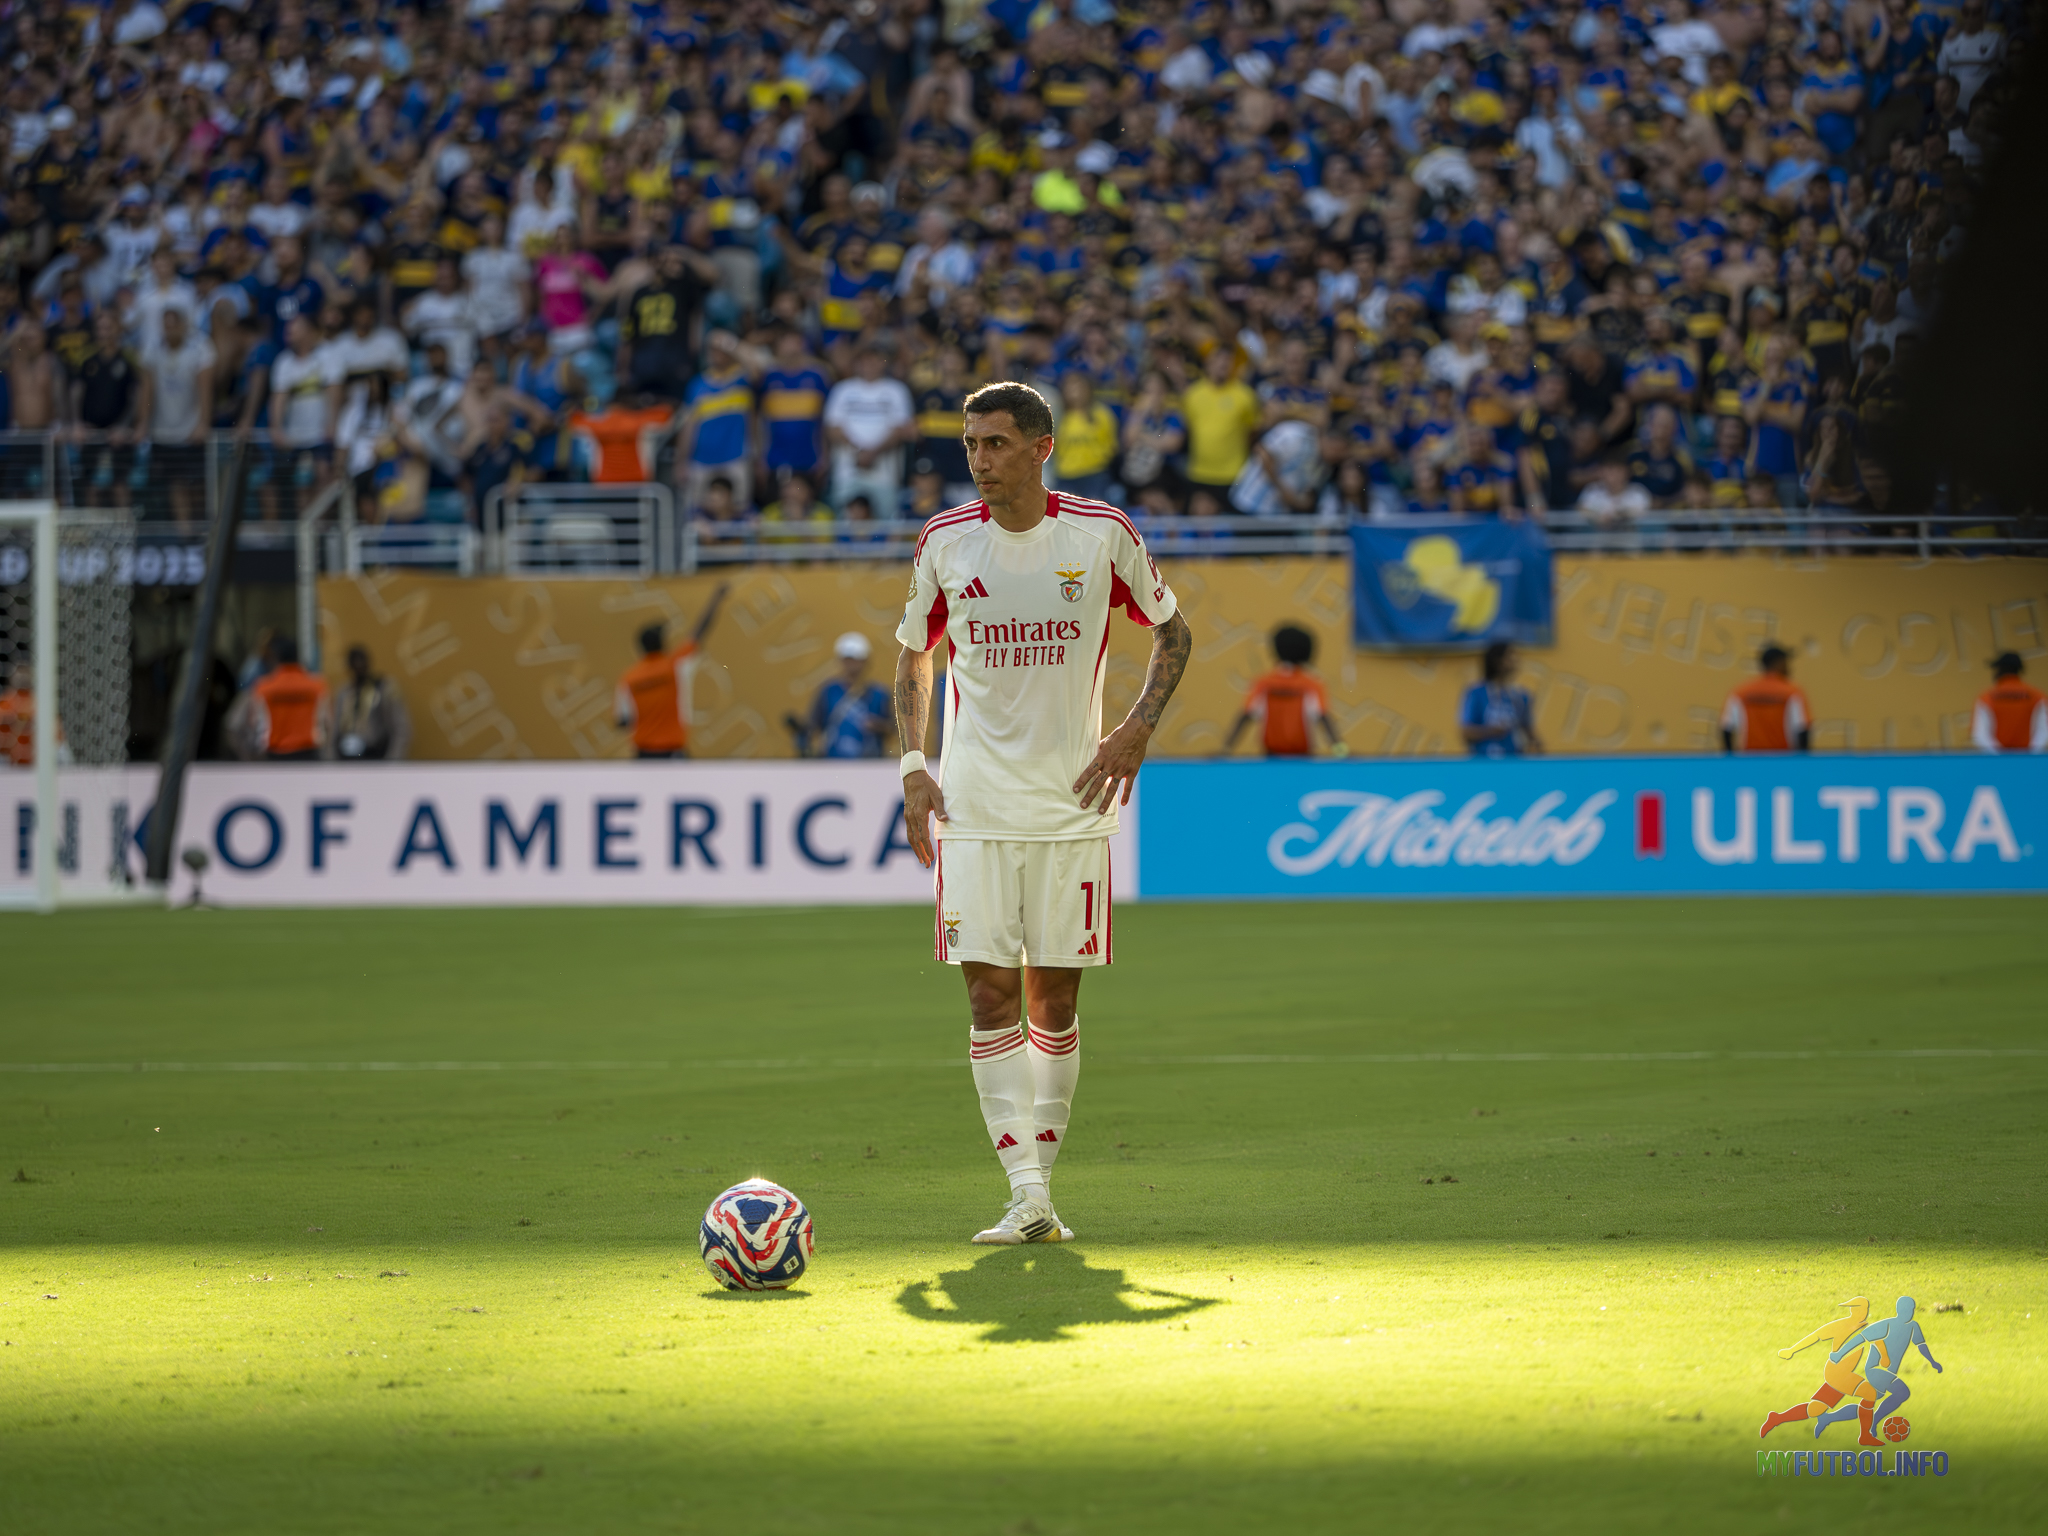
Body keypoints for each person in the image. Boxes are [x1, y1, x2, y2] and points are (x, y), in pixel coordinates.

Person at [895, 380, 1191, 1245]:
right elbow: (913, 655)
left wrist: (1136, 728)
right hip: (975, 807)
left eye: (994, 444)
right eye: (971, 446)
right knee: (989, 994)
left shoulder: (1101, 536)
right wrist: (915, 766)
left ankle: (1042, 1190)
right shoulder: (946, 543)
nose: (979, 461)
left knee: (1053, 1002)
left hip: (1073, 809)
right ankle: (1026, 1192)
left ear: (1040, 448)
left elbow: (1174, 633)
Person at [613, 585, 729, 759]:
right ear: (663, 644)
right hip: (673, 751)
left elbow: (622, 721)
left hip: (643, 754)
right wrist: (716, 600)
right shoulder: (674, 666)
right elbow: (698, 634)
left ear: (640, 648)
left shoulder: (629, 678)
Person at [1225, 625, 1346, 757]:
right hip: (1303, 760)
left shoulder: (1263, 683)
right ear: (1307, 651)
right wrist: (1340, 751)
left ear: (1276, 649)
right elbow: (1323, 719)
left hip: (1271, 759)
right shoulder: (1312, 685)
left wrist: (1226, 749)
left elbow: (1245, 716)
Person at [824, 343, 915, 516]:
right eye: (864, 360)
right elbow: (832, 428)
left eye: (875, 360)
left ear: (884, 362)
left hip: (885, 473)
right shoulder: (843, 389)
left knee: (886, 521)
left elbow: (902, 428)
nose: (870, 364)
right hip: (848, 470)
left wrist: (873, 452)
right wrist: (859, 451)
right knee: (846, 523)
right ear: (857, 363)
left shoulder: (896, 390)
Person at [804, 632, 894, 759]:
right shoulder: (828, 691)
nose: (852, 664)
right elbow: (812, 725)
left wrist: (877, 725)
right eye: (848, 660)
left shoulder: (879, 693)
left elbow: (894, 728)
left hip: (870, 763)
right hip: (832, 762)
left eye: (857, 660)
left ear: (866, 661)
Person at [240, 637, 330, 761]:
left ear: (276, 657)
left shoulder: (263, 688)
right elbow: (326, 721)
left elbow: (254, 723)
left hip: (274, 755)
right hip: (308, 754)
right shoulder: (317, 686)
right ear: (298, 657)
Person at [1722, 643, 1811, 752]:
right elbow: (1803, 729)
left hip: (1749, 761)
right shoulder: (1792, 692)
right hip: (1784, 760)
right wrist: (1802, 761)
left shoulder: (1741, 692)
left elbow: (1726, 729)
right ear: (1779, 662)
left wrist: (1731, 760)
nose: (1789, 667)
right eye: (1786, 662)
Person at [1460, 641, 1543, 757]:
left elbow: (1529, 731)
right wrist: (1491, 731)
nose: (1516, 660)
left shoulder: (1521, 696)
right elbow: (1465, 732)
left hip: (1513, 763)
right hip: (1483, 764)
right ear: (1497, 661)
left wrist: (1539, 748)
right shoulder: (1476, 694)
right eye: (1510, 656)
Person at [332, 646, 411, 761]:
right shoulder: (344, 692)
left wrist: (392, 761)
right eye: (354, 664)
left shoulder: (384, 689)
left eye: (361, 663)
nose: (358, 668)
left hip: (375, 755)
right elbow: (334, 729)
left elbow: (401, 728)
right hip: (347, 757)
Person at [1973, 653, 2047, 753]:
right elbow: (2044, 731)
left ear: (2001, 670)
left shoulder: (1986, 698)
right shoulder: (2037, 696)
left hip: (1998, 763)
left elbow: (1979, 734)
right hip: (2028, 762)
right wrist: (2029, 754)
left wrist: (2002, 756)